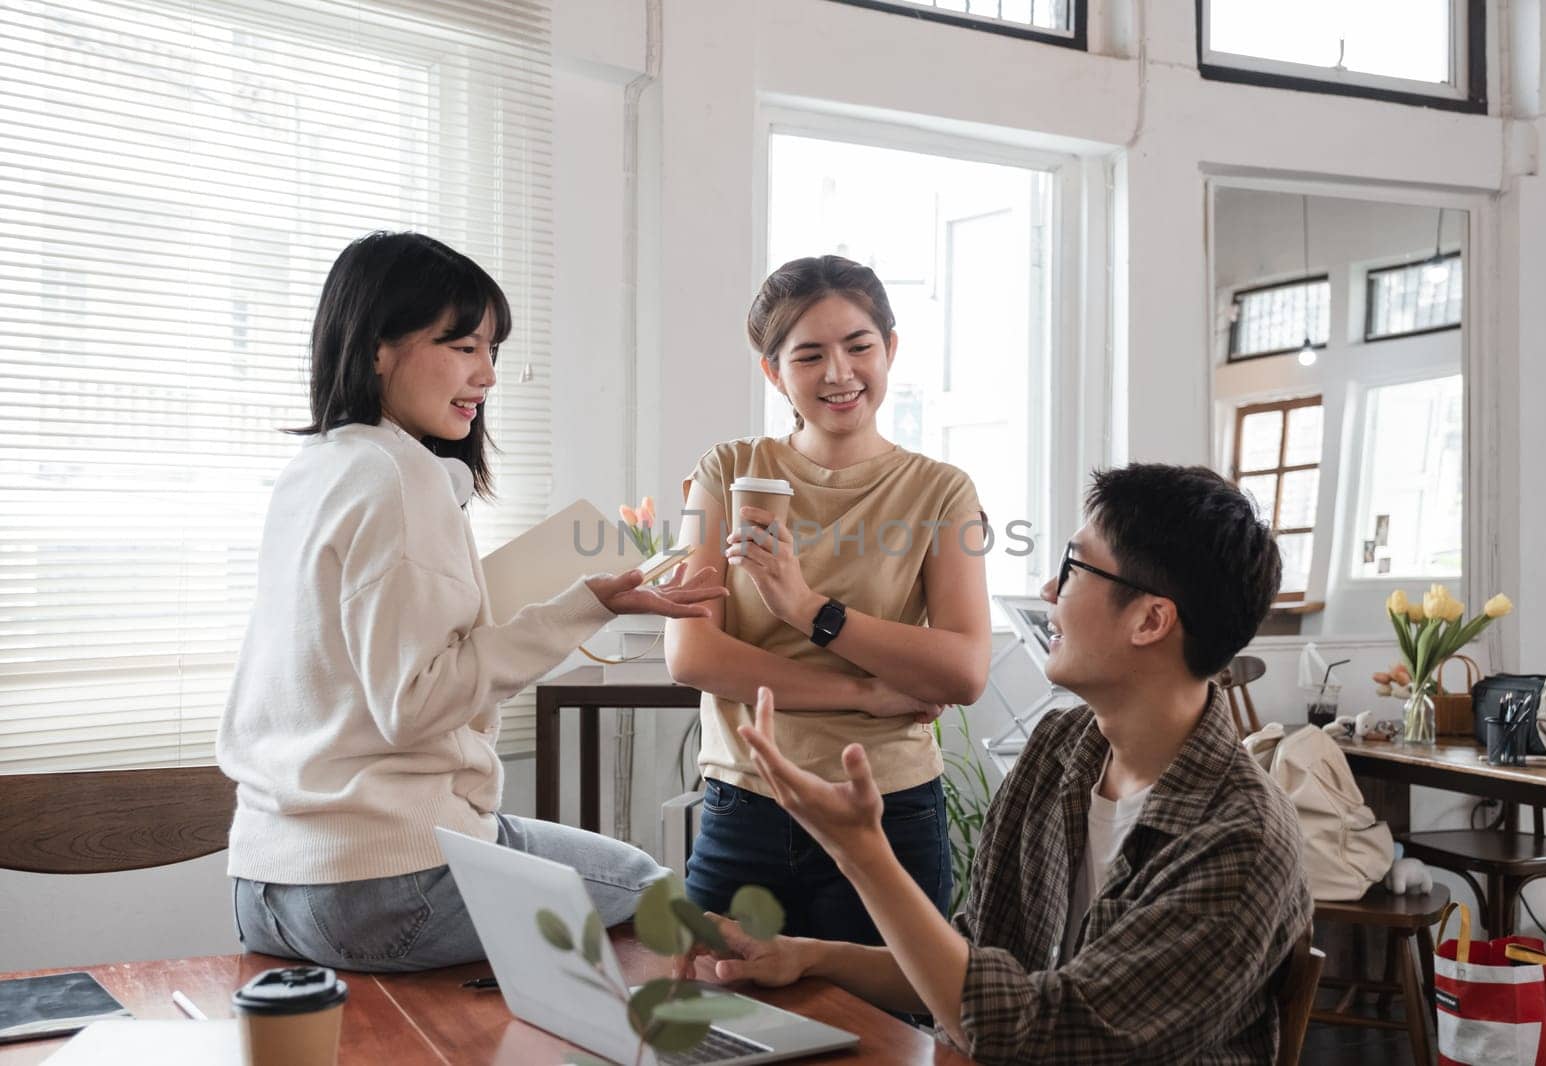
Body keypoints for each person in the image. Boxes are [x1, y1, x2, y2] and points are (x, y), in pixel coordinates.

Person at [678, 464, 1314, 1063]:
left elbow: (1038, 1033)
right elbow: (968, 964)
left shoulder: (1240, 842)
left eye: (1074, 568)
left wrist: (861, 853)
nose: (1048, 590)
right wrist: (808, 956)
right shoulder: (1063, 750)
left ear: (1150, 620)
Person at [217, 231, 726, 972]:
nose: (487, 374)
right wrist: (580, 610)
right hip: (384, 885)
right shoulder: (402, 475)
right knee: (661, 897)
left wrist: (575, 605)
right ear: (375, 349)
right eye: (462, 346)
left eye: (492, 349)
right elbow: (415, 703)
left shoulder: (315, 468)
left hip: (264, 887)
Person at [664, 255, 992, 944]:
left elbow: (962, 670)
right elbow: (691, 653)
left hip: (888, 809)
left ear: (890, 349)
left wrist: (811, 611)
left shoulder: (941, 491)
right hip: (745, 802)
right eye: (809, 354)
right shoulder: (726, 471)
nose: (840, 373)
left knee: (890, 1038)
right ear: (774, 371)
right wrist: (865, 695)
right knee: (713, 1018)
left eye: (859, 346)